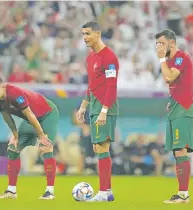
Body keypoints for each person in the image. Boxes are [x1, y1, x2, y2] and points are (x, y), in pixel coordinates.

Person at [0, 75, 59, 200]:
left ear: (3, 86)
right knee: (12, 148)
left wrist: (41, 135)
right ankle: (11, 191)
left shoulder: (15, 93)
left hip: (48, 114)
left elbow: (29, 113)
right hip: (31, 119)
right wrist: (15, 135)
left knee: (45, 147)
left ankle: (49, 192)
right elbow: (6, 115)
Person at [76, 21, 119, 202]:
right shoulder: (91, 58)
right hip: (94, 106)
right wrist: (83, 106)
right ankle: (107, 192)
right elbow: (92, 86)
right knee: (96, 147)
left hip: (105, 107)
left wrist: (104, 111)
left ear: (98, 34)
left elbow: (112, 87)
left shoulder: (109, 57)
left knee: (102, 146)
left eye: (87, 33)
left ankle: (102, 193)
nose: (85, 37)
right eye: (83, 34)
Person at [155, 29, 193, 204]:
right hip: (176, 107)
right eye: (157, 44)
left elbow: (169, 77)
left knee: (181, 150)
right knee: (177, 151)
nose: (159, 47)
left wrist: (161, 58)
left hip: (184, 109)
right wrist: (172, 100)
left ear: (172, 43)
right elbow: (176, 83)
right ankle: (182, 193)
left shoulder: (181, 57)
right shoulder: (172, 60)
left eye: (162, 43)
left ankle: (183, 194)